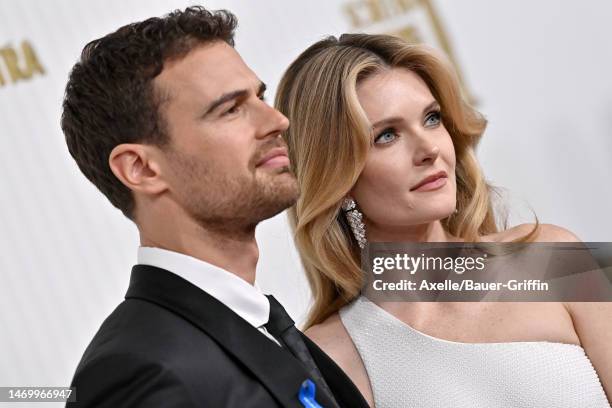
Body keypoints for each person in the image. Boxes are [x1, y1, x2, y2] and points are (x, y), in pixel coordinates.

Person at [275, 33, 612, 407]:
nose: (429, 149)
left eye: (432, 119)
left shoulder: (551, 260)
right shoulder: (331, 357)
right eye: (386, 136)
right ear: (337, 179)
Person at [60, 7, 369, 408]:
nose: (277, 120)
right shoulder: (141, 370)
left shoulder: (253, 327)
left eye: (259, 96)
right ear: (141, 168)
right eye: (230, 109)